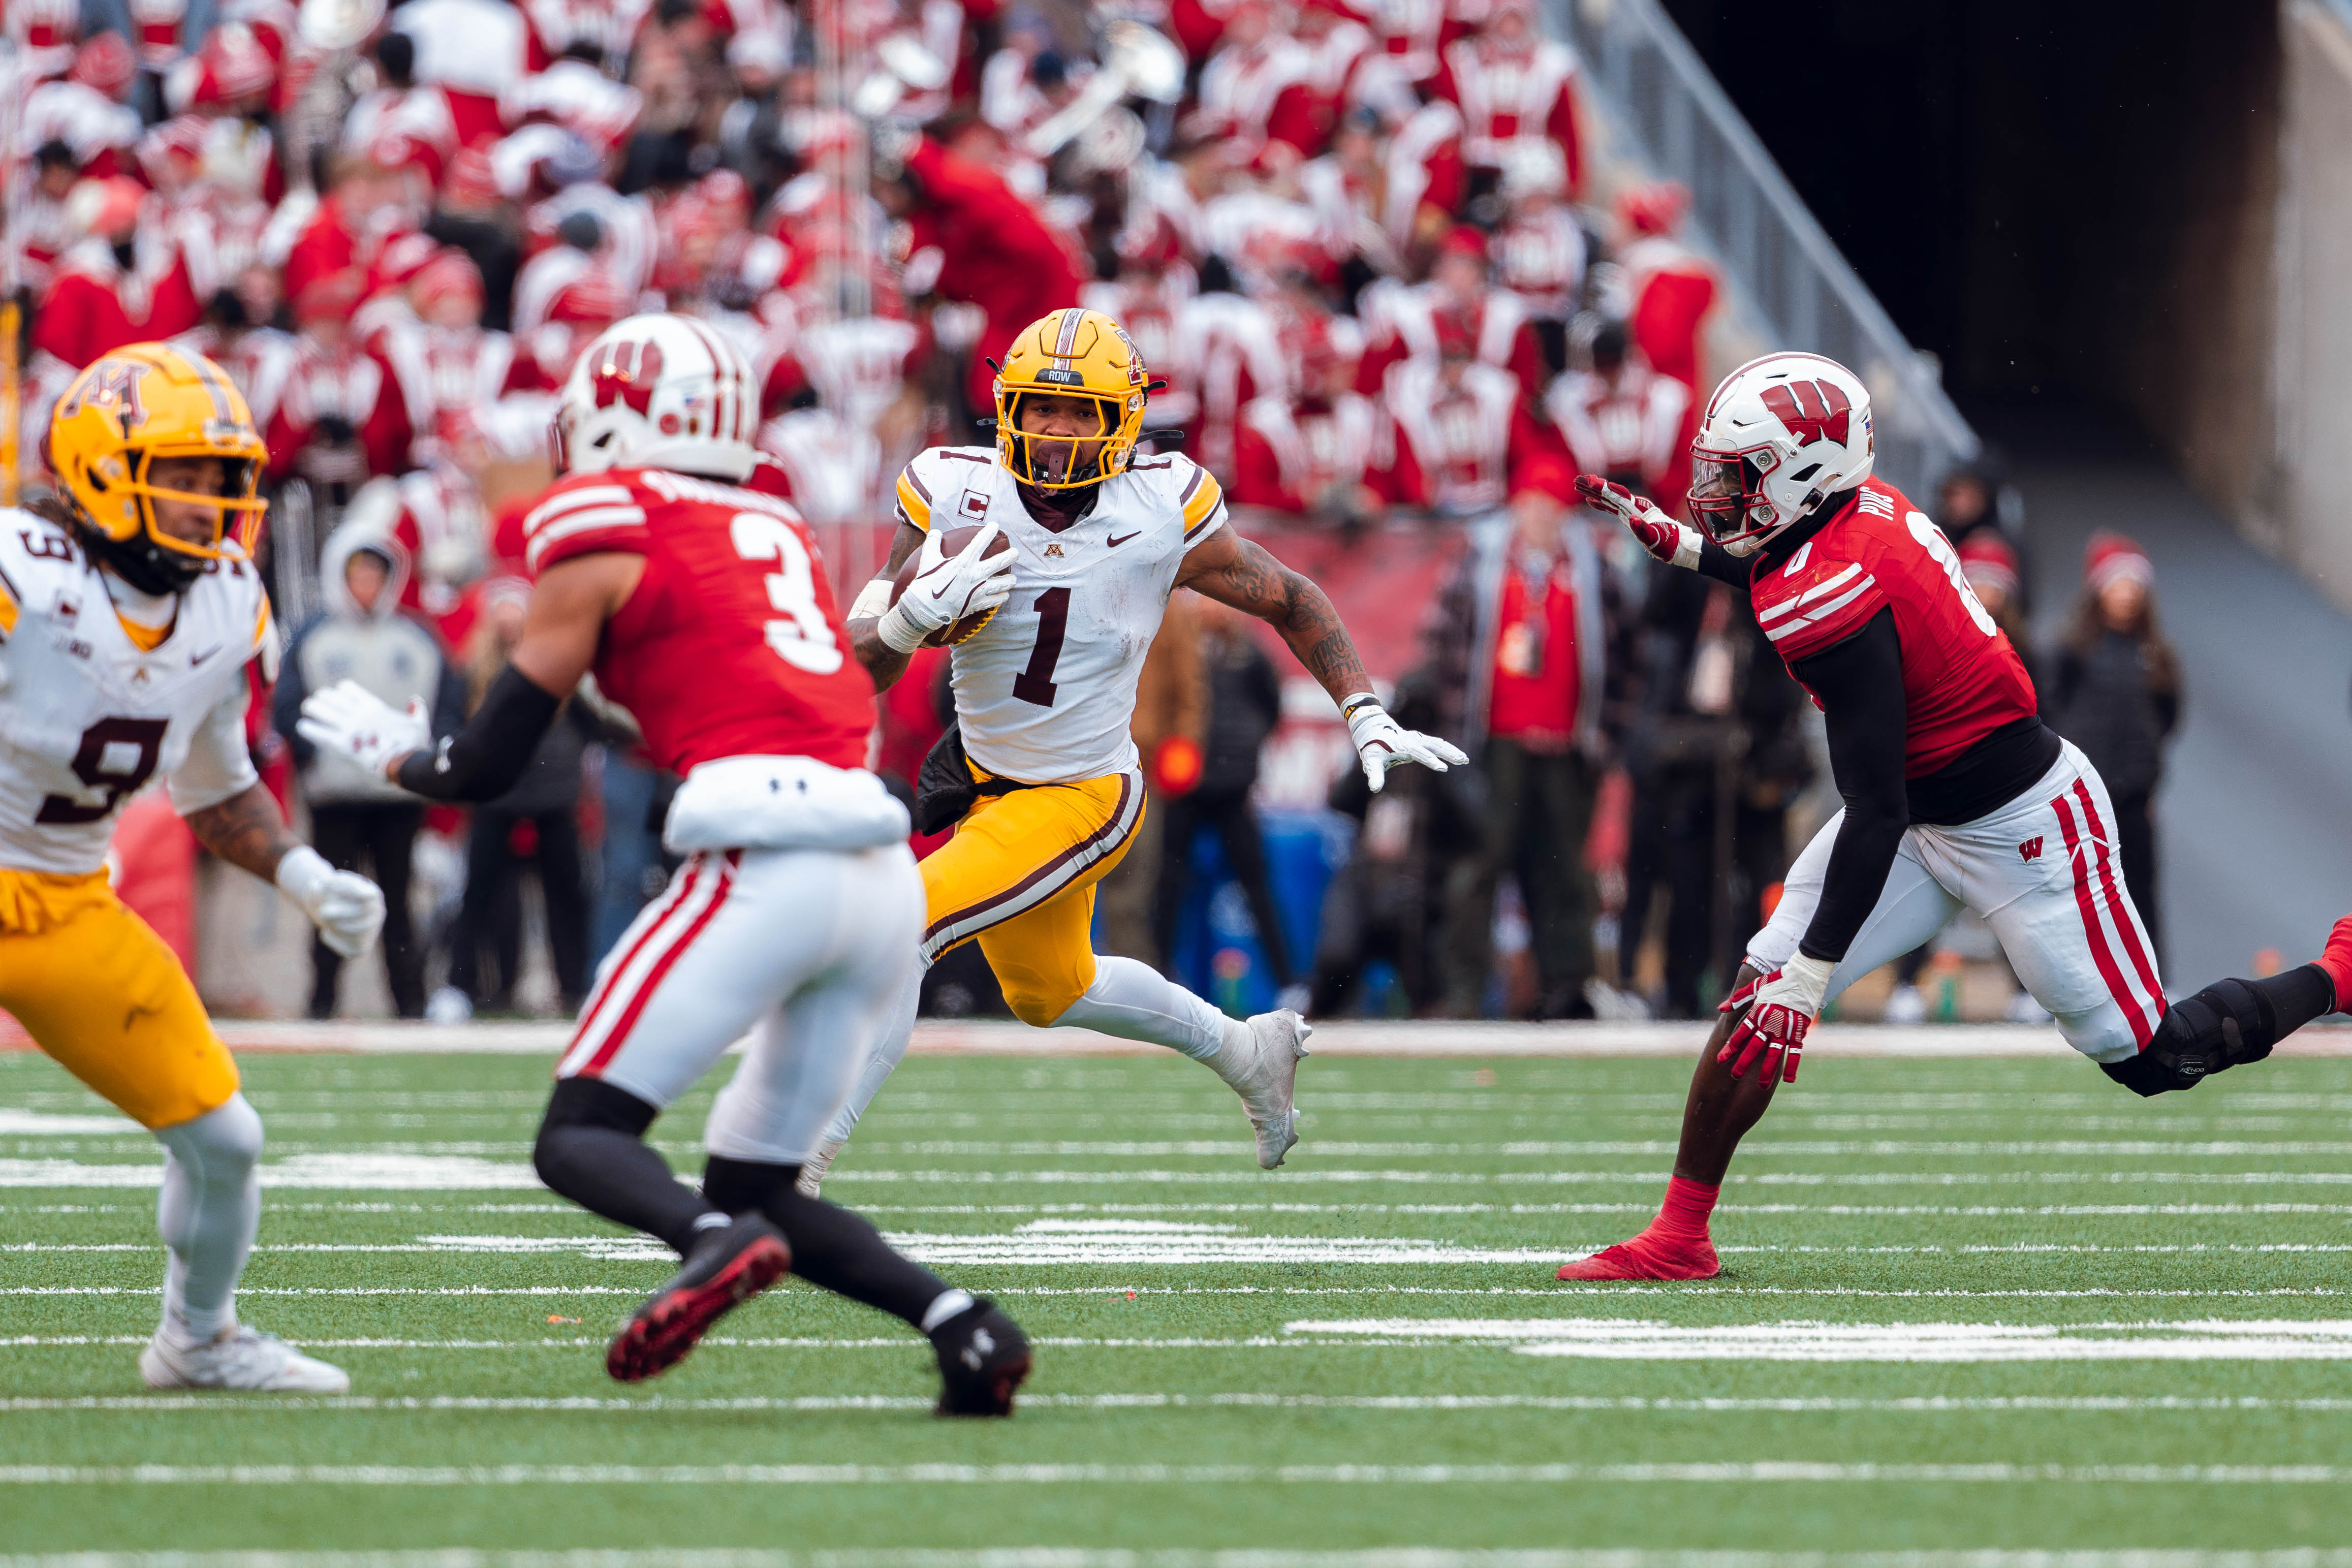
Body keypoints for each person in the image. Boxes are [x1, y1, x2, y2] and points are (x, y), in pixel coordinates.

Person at [297, 313, 1032, 1415]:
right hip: (877, 870)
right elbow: (722, 689)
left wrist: (398, 751)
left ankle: (707, 1239)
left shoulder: (603, 517)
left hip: (765, 855)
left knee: (582, 1135)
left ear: (622, 415)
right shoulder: (768, 522)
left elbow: (487, 764)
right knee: (762, 1178)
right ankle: (963, 1325)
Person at [1567, 351, 2352, 1281]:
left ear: (1804, 478)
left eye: (1737, 479)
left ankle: (2339, 971)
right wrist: (1689, 550)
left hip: (2021, 826)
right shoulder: (1851, 516)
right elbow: (1780, 568)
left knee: (2152, 1056)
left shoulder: (1837, 588)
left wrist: (1813, 982)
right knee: (1751, 997)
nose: (1716, 496)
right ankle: (1678, 1235)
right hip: (1918, 813)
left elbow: (1871, 806)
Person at [816, 305, 1465, 1182]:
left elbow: (1287, 596)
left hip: (1083, 795)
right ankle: (1246, 1051)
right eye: (1038, 408)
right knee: (1050, 990)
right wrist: (902, 622)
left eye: (1077, 412)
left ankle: (794, 1164)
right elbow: (860, 669)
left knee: (902, 926)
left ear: (1119, 421)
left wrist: (1361, 708)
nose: (1052, 430)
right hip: (985, 786)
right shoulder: (950, 488)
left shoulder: (1159, 508)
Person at [2, 343, 386, 1390]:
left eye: (224, 477)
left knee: (225, 1135)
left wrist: (303, 878)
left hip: (67, 903)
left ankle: (199, 1339)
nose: (210, 501)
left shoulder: (224, 604)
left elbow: (214, 787)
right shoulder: (18, 571)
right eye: (184, 473)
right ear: (98, 465)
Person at [1423, 485, 1614, 1019]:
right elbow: (1444, 645)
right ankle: (1465, 988)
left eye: (1551, 508)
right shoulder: (1481, 564)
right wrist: (1456, 730)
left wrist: (1608, 729)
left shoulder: (1590, 569)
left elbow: (1627, 649)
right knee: (1481, 863)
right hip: (1495, 741)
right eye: (1532, 506)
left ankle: (1566, 989)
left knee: (1563, 870)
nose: (1541, 518)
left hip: (1565, 742)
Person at [273, 528, 463, 1020]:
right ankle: (321, 1000)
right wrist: (313, 761)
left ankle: (410, 1001)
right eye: (357, 574)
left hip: (398, 793)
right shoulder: (316, 636)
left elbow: (447, 705)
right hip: (335, 794)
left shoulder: (416, 638)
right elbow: (289, 707)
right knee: (330, 898)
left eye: (375, 574)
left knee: (399, 904)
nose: (366, 584)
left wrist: (426, 763)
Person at [1153, 595, 1300, 1009]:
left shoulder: (1249, 655)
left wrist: (1243, 753)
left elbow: (1271, 708)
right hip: (1184, 786)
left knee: (1256, 884)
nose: (1207, 608)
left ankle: (1289, 981)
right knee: (1168, 884)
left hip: (1232, 787)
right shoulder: (1176, 647)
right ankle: (1159, 976)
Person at [2049, 531, 2180, 961]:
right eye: (2117, 585)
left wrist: (2148, 774)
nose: (2125, 595)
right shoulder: (2072, 650)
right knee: (2078, 890)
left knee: (2140, 889)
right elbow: (2049, 710)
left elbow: (2167, 715)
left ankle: (2153, 978)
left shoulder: (2155, 653)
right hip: (2084, 796)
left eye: (2133, 587)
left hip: (2134, 795)